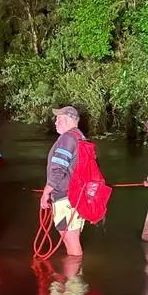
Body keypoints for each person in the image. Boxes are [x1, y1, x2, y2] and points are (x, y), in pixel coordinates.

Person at [40, 106, 86, 256]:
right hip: (76, 195)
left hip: (66, 197)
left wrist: (46, 192)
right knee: (71, 238)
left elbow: (58, 168)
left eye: (58, 119)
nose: (55, 122)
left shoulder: (67, 138)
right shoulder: (80, 137)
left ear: (67, 119)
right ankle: (72, 277)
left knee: (70, 239)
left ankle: (75, 278)